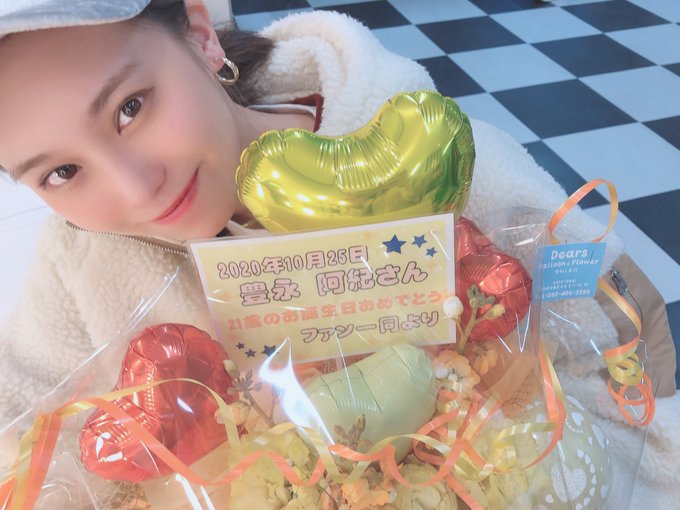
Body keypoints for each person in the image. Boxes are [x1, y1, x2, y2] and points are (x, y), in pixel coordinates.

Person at [0, 1, 677, 508]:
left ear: (202, 36)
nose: (136, 188)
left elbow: (623, 364)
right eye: (61, 172)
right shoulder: (79, 271)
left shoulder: (446, 172)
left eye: (130, 108)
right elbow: (23, 447)